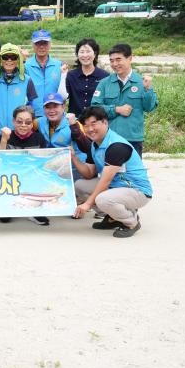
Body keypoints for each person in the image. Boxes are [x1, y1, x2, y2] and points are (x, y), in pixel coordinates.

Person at [71, 106, 153, 238]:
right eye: (85, 126)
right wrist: (74, 158)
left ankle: (131, 222)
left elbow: (105, 181)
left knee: (103, 199)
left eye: (94, 123)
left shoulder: (116, 145)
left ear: (105, 122)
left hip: (137, 190)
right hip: (116, 187)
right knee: (79, 185)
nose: (90, 129)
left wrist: (87, 204)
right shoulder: (95, 144)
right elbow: (88, 173)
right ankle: (113, 217)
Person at [91, 43, 157, 156]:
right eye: (111, 61)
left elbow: (149, 107)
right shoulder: (104, 83)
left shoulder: (142, 82)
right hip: (108, 137)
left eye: (118, 59)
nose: (115, 64)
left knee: (132, 172)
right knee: (109, 172)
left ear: (130, 58)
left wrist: (148, 89)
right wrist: (116, 109)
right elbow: (95, 109)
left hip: (133, 138)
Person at [0, 105, 50, 226]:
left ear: (32, 124)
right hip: (11, 179)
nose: (23, 125)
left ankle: (34, 210)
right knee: (4, 219)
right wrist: (4, 139)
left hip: (31, 177)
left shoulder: (39, 138)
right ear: (13, 121)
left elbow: (42, 163)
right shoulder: (6, 136)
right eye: (19, 121)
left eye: (28, 122)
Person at [0, 43, 38, 141]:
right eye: (5, 57)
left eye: (13, 57)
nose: (9, 60)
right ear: (0, 59)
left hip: (19, 133)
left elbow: (32, 106)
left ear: (18, 60)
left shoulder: (27, 80)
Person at [24, 29, 65, 118]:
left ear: (50, 44)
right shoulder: (26, 66)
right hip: (33, 116)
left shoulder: (59, 65)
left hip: (54, 115)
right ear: (32, 45)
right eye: (38, 43)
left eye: (45, 43)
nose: (41, 46)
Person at [65, 38, 109, 117]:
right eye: (82, 52)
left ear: (95, 54)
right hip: (75, 121)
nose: (85, 55)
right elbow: (64, 97)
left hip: (97, 120)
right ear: (77, 55)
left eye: (88, 51)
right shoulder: (70, 75)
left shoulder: (104, 76)